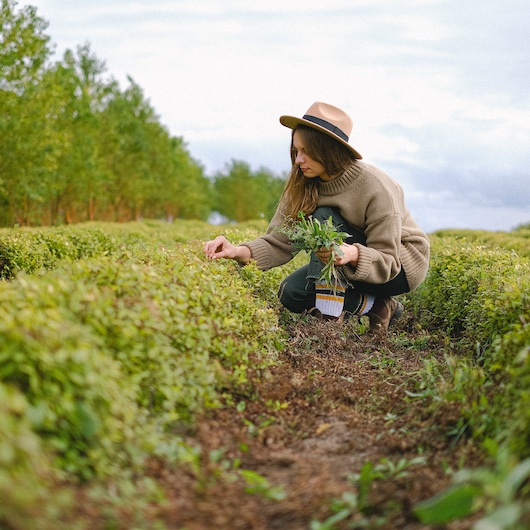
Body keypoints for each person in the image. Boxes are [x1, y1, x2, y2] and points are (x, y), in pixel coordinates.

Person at [204, 101, 430, 334]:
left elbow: (388, 261)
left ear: (328, 150)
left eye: (306, 152)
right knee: (292, 292)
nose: (299, 160)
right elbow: (279, 242)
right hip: (353, 261)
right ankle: (379, 307)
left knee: (323, 216)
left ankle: (328, 324)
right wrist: (235, 251)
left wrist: (352, 253)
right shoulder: (302, 183)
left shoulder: (376, 187)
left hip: (398, 266)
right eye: (296, 151)